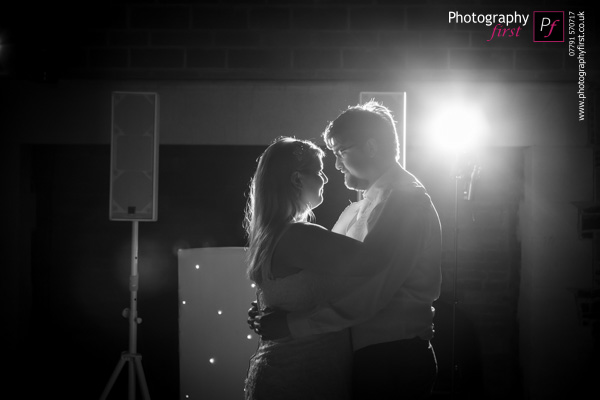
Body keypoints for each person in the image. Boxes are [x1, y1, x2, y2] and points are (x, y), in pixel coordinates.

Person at [249, 101, 443, 399]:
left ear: (371, 147)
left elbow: (374, 286)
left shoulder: (407, 202)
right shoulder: (359, 208)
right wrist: (271, 308)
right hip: (360, 358)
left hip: (392, 354)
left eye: (340, 152)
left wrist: (291, 323)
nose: (336, 165)